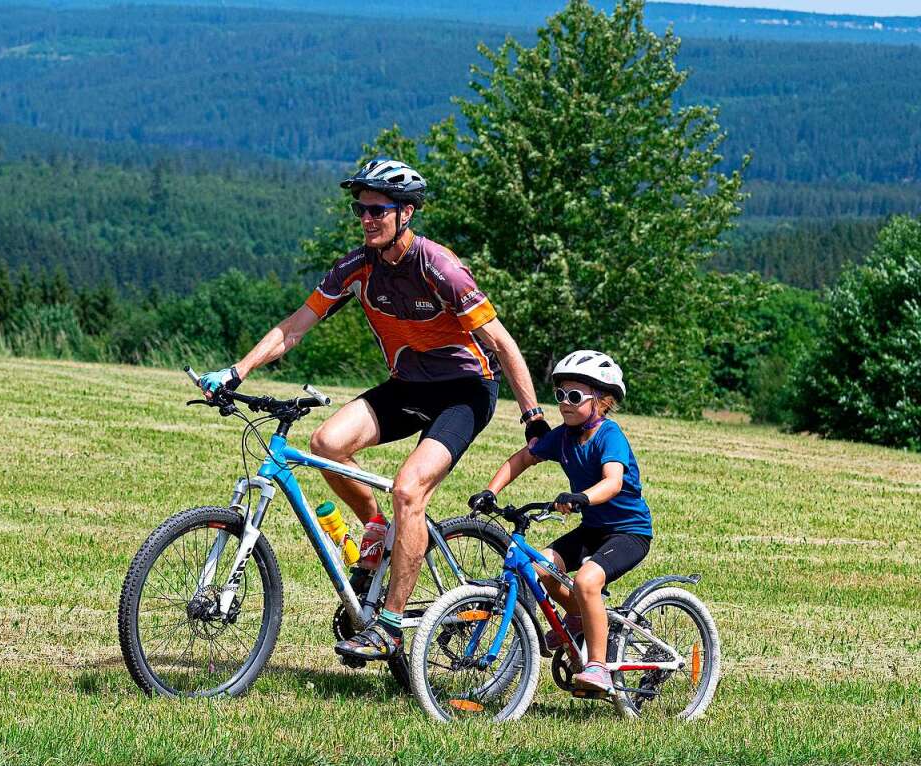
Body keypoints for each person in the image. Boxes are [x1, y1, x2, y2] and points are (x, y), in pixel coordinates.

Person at [198, 158, 549, 660]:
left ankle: (388, 624)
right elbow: (295, 325)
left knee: (410, 489)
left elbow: (502, 342)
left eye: (377, 210)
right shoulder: (356, 267)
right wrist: (237, 371)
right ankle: (376, 528)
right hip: (407, 385)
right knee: (326, 443)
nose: (366, 219)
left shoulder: (439, 268)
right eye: (360, 209)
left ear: (406, 213)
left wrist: (533, 416)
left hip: (465, 392)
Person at [468, 350, 652, 693]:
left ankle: (597, 666)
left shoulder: (609, 435)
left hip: (629, 532)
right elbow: (522, 459)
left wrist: (582, 497)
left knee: (586, 581)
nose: (564, 404)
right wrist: (490, 491)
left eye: (574, 396)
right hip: (593, 529)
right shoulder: (563, 436)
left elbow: (612, 481)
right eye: (560, 396)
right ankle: (582, 617)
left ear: (603, 401)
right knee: (540, 570)